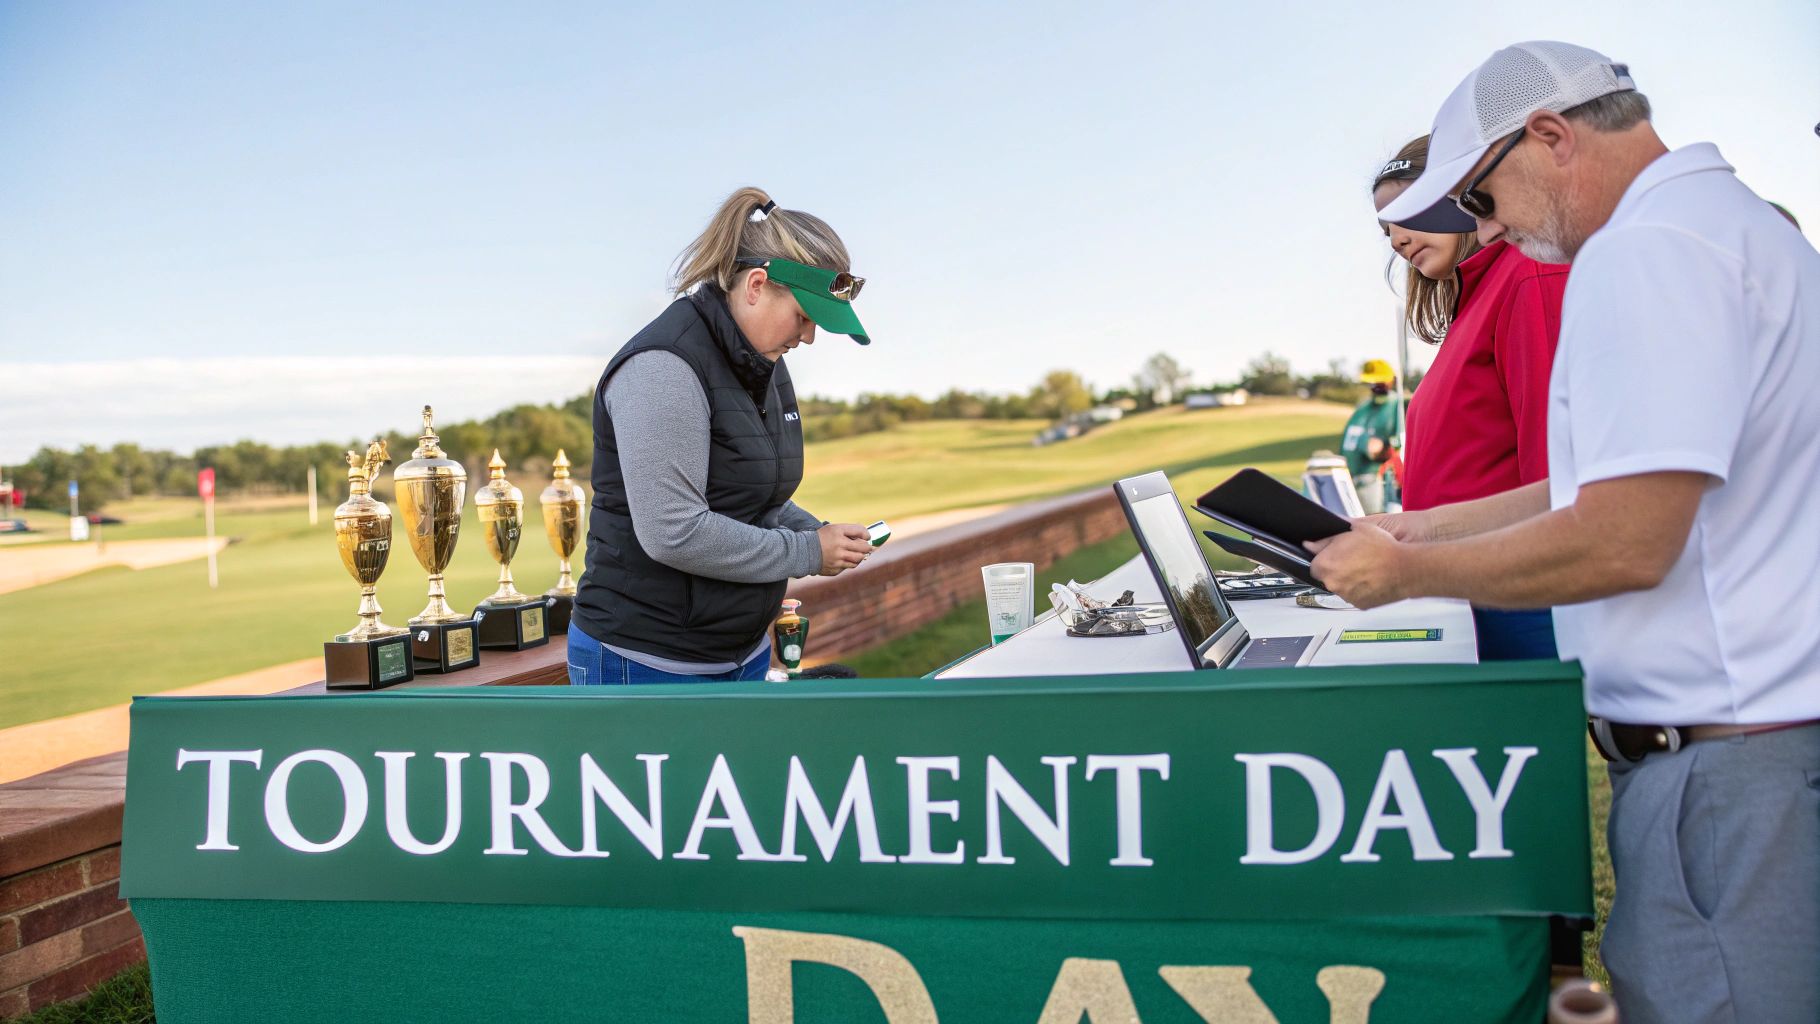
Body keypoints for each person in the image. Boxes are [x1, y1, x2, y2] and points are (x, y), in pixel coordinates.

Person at [1314, 42, 1820, 1023]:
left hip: (1723, 761)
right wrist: (1414, 529)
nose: (1486, 224)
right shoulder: (1724, 226)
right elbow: (1588, 477)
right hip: (1745, 746)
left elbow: (1623, 536)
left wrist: (1403, 574)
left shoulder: (1647, 248)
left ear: (1547, 135)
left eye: (1477, 197)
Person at [568, 188, 877, 685]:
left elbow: (753, 495)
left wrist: (817, 531)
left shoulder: (765, 361)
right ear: (756, 285)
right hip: (645, 662)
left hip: (739, 653)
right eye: (803, 316)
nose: (810, 336)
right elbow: (675, 531)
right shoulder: (663, 369)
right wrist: (808, 551)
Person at [1372, 135, 1566, 660]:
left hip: (1519, 592)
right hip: (1465, 588)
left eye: (1407, 211)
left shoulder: (1528, 275)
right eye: (1384, 226)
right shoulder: (1479, 295)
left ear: (1462, 194)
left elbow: (1557, 478)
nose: (1394, 238)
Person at [1337, 359, 1402, 514]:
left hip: (1374, 481)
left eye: (1379, 382)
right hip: (1349, 477)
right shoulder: (1363, 406)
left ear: (1390, 381)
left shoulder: (1397, 406)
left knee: (1373, 525)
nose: (1375, 386)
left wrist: (1381, 448)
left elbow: (1399, 446)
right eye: (1371, 382)